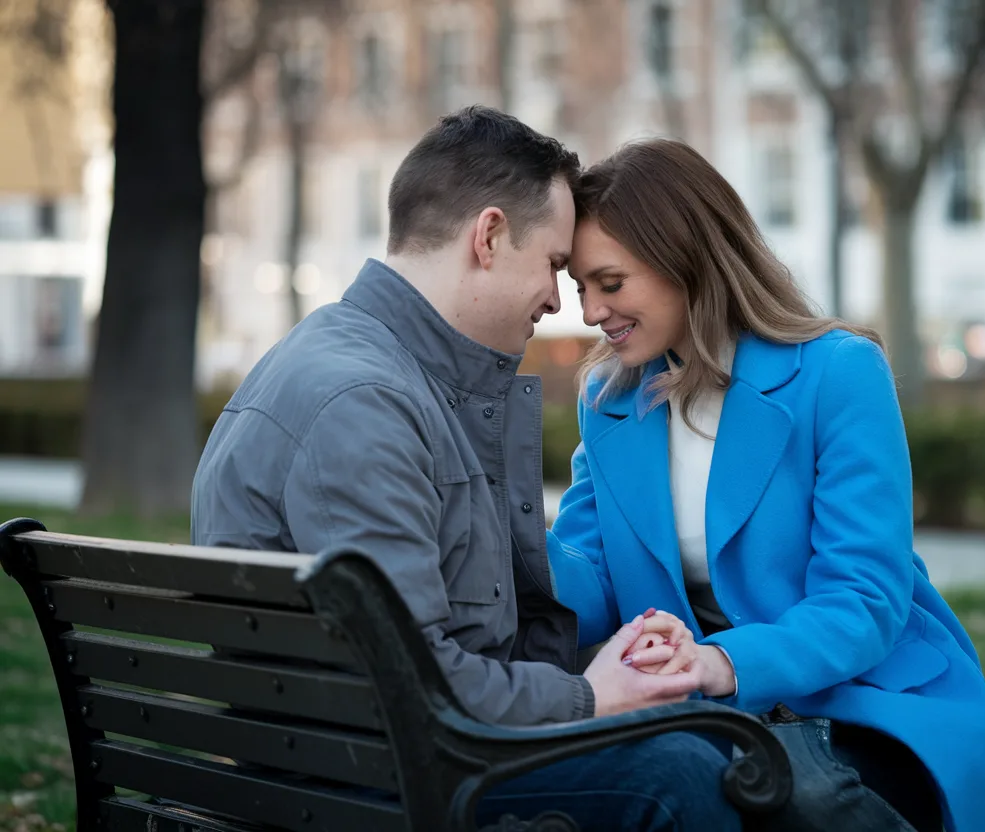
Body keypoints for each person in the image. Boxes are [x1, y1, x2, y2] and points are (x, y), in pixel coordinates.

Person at [190, 108, 742, 831]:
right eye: (551, 264)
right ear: (487, 237)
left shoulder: (348, 360)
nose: (557, 299)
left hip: (344, 755)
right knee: (683, 772)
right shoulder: (366, 403)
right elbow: (409, 685)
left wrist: (609, 659)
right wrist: (589, 696)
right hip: (367, 779)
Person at [548, 138, 985, 832]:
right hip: (708, 717)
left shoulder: (838, 373)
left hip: (857, 698)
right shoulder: (608, 398)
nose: (592, 311)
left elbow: (865, 599)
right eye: (580, 288)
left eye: (610, 283)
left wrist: (720, 661)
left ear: (683, 257)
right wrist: (487, 524)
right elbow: (584, 579)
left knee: (784, 798)